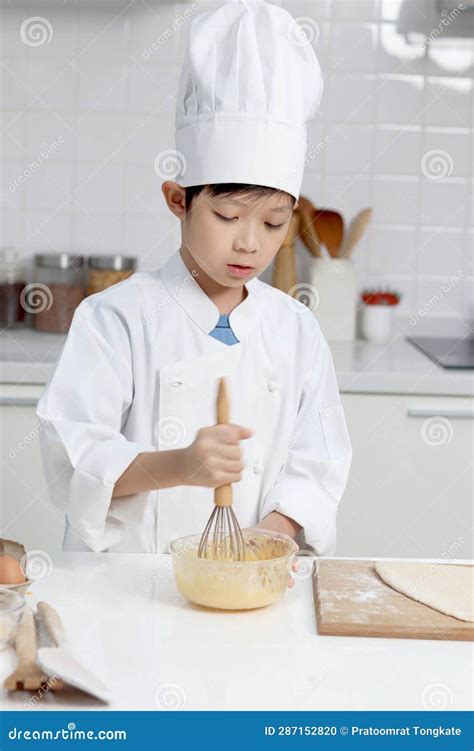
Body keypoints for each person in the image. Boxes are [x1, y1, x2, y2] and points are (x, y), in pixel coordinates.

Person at [36, 0, 352, 564]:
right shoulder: (118, 319)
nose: (250, 243)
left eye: (274, 222)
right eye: (228, 217)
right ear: (178, 200)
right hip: (127, 593)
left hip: (251, 588)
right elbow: (74, 456)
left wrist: (273, 534)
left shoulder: (295, 329)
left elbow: (318, 461)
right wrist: (181, 467)